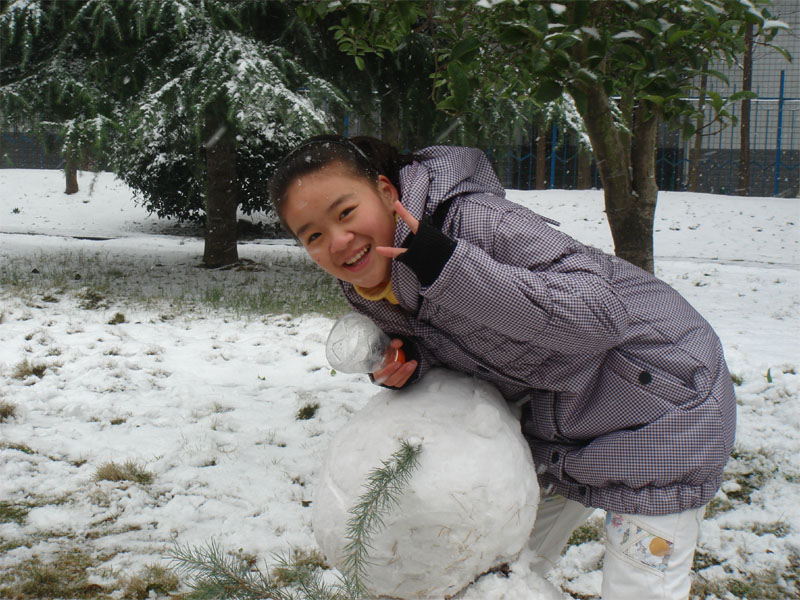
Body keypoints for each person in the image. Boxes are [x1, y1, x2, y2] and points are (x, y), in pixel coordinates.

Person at [269, 134, 736, 600]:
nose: (339, 240)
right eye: (313, 235)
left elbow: (600, 316)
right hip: (563, 428)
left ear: (388, 193)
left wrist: (449, 266)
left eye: (345, 212)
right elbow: (471, 342)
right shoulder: (369, 289)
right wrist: (411, 362)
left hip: (663, 406)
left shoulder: (474, 222)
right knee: (487, 564)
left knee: (640, 590)